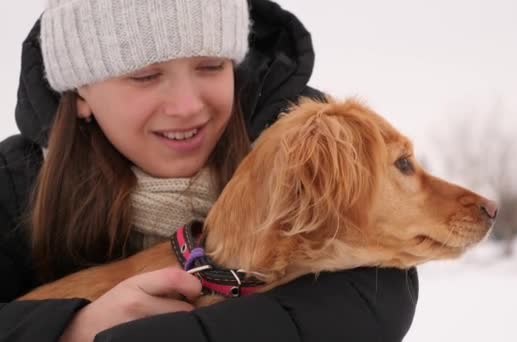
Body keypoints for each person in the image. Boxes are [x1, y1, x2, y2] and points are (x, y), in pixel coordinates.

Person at [0, 0, 418, 341]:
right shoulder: (13, 182)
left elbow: (372, 296)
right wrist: (72, 328)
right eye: (146, 76)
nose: (187, 106)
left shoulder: (308, 150)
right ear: (79, 96)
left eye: (211, 66)